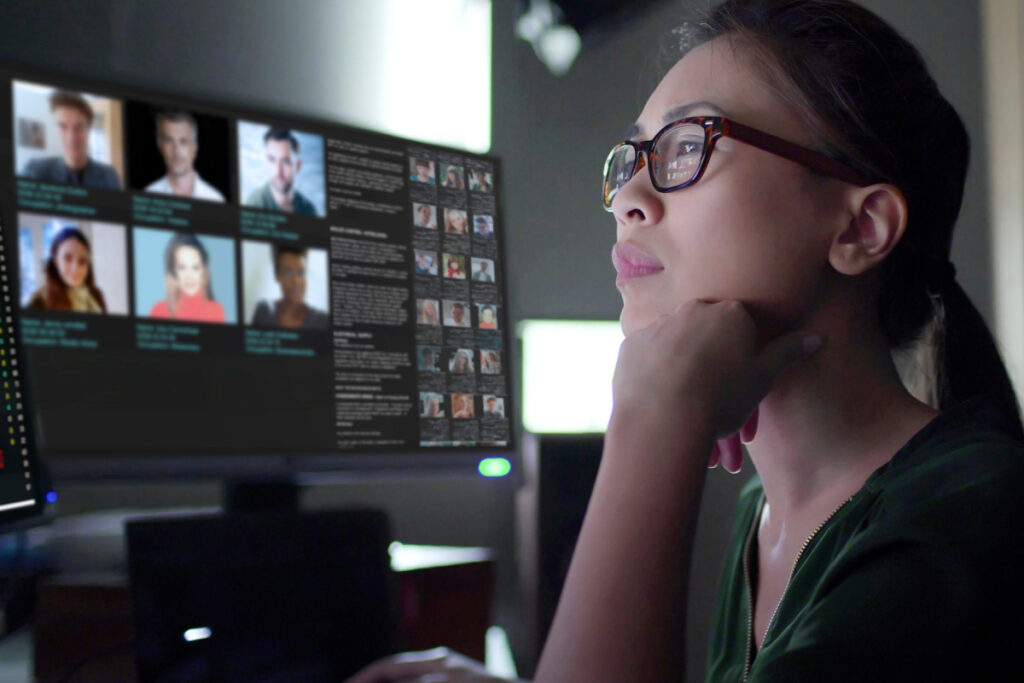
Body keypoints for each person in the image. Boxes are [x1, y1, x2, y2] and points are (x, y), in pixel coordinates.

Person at [347, 1, 1024, 682]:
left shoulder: (971, 511)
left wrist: (653, 422)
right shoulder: (764, 508)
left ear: (860, 228)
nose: (627, 198)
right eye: (633, 157)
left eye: (689, 146)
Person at [21, 91, 121, 189]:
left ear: (89, 130)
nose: (71, 137)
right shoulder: (34, 172)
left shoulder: (109, 176)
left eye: (79, 127)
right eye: (63, 127)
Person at [145, 110, 225, 202]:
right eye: (169, 141)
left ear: (194, 148)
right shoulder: (149, 196)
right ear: (160, 146)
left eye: (183, 142)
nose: (176, 151)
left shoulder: (215, 199)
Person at [26, 225, 107, 313]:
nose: (75, 268)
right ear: (56, 260)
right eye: (67, 258)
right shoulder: (39, 303)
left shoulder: (97, 295)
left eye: (82, 261)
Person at [148, 233, 226, 323]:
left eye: (195, 267)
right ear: (174, 272)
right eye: (182, 267)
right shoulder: (158, 311)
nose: (189, 276)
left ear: (203, 272)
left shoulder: (216, 311)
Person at [250, 245, 328, 329]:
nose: (296, 281)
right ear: (276, 275)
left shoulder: (322, 320)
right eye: (288, 273)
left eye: (301, 273)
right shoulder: (264, 312)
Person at [245, 128, 317, 215]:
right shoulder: (254, 205)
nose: (278, 172)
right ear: (266, 163)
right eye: (272, 160)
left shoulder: (308, 209)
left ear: (298, 166)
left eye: (286, 161)